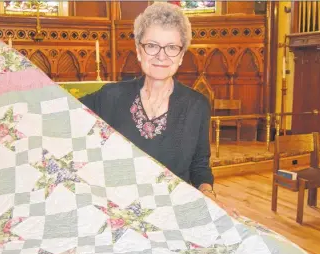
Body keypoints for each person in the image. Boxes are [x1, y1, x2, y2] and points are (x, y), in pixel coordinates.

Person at [80, 2, 236, 216]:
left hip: (172, 212)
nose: (161, 56)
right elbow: (60, 113)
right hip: (117, 212)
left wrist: (207, 192)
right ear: (138, 50)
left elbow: (199, 166)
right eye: (152, 45)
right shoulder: (110, 97)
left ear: (181, 56)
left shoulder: (197, 105)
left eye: (172, 47)